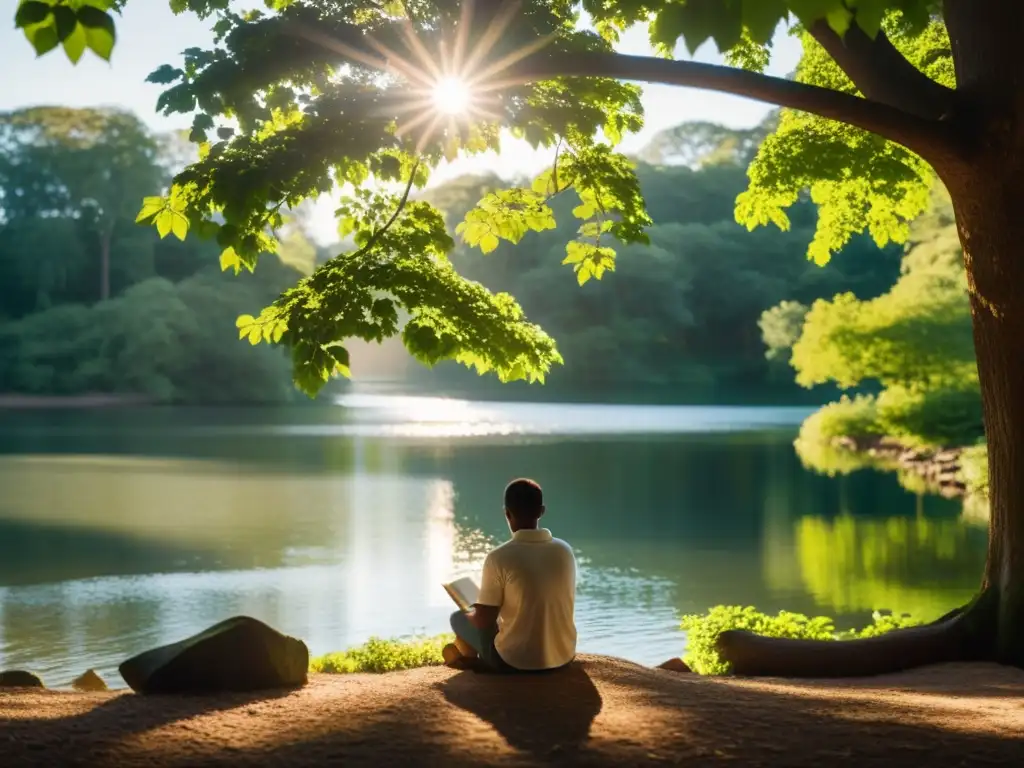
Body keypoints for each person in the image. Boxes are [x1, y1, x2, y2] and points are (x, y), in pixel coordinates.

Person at [443, 478, 577, 673]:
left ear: (507, 513)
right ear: (541, 511)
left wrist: (470, 610)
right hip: (563, 656)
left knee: (459, 619)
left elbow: (483, 621)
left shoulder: (499, 557)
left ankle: (474, 662)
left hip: (515, 662)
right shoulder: (565, 551)